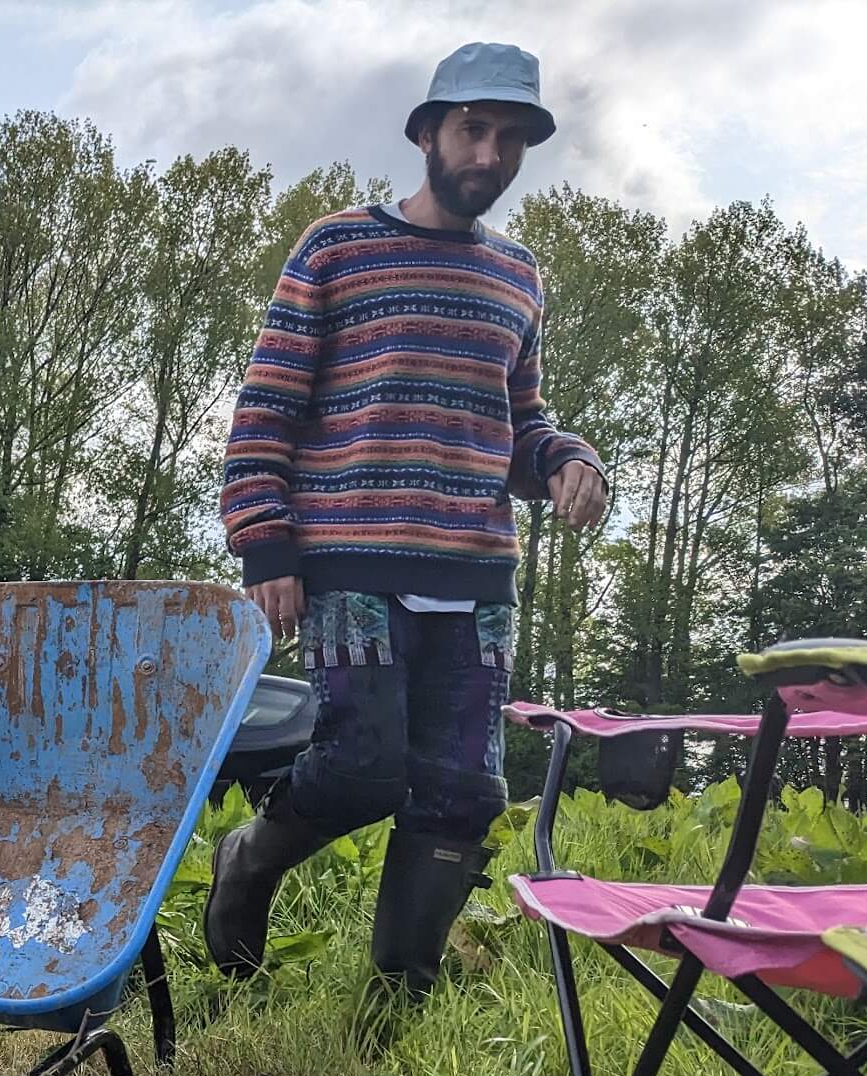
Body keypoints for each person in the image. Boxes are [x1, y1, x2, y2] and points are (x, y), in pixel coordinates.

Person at [206, 41, 609, 1007]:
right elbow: (266, 408)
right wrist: (265, 539)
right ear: (428, 132)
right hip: (351, 563)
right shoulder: (336, 248)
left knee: (465, 791)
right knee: (361, 763)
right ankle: (247, 863)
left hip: (476, 576)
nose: (491, 154)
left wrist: (567, 460)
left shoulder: (519, 276)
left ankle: (398, 1001)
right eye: (474, 129)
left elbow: (520, 423)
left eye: (512, 138)